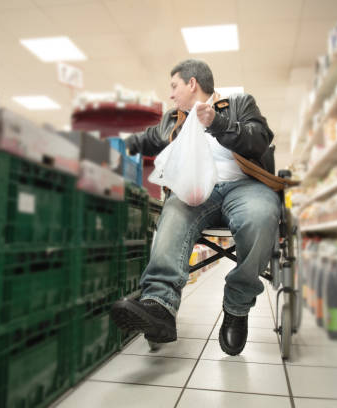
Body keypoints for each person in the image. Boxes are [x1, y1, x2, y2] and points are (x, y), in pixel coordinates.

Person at [110, 59, 280, 356]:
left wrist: (218, 122)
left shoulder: (238, 103)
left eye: (174, 86)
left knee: (261, 215)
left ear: (192, 83)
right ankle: (160, 305)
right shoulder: (174, 119)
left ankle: (237, 305)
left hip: (245, 185)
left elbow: (260, 139)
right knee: (172, 214)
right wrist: (118, 148)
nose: (171, 94)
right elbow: (148, 139)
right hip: (197, 191)